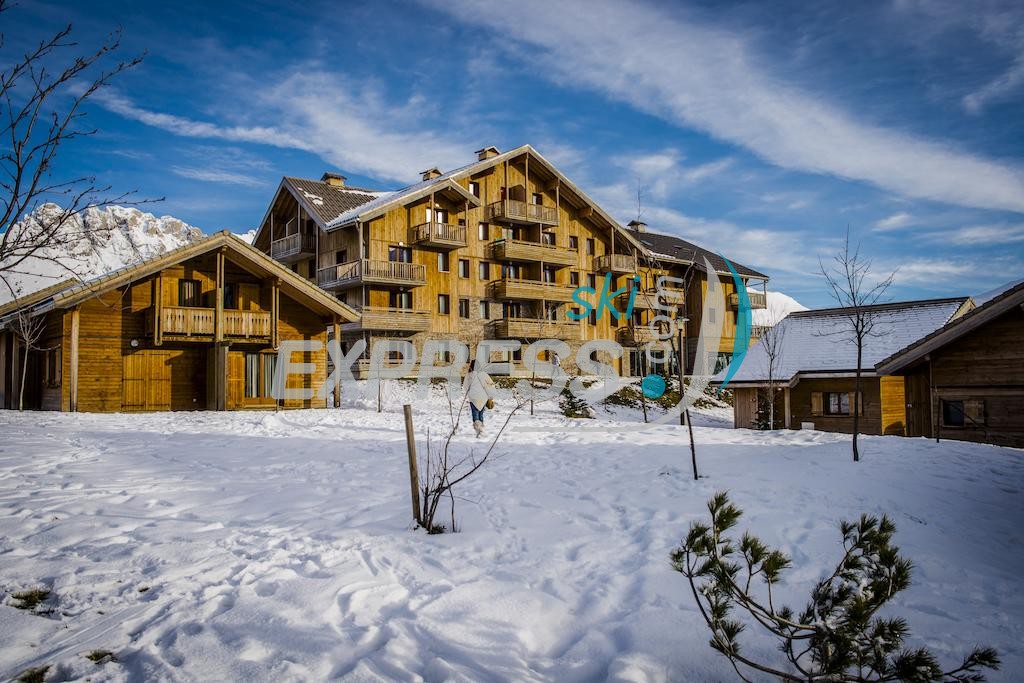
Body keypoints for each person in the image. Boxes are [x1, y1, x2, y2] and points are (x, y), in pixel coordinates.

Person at [463, 359, 497, 437]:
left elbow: (465, 386)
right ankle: (481, 428)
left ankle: (478, 429)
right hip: (483, 397)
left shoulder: (469, 375)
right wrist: (491, 395)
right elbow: (490, 385)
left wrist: (470, 393)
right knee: (481, 413)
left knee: (475, 413)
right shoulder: (483, 374)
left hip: (473, 397)